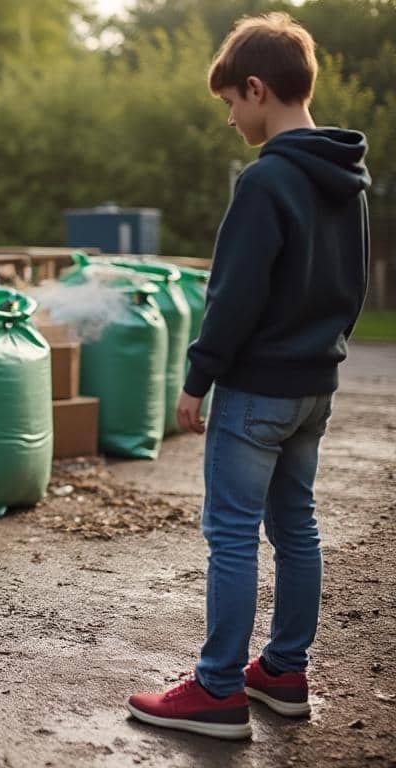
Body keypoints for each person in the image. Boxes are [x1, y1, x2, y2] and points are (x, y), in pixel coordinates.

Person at [126, 13, 370, 739]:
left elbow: (234, 296)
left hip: (258, 388)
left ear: (258, 88)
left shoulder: (266, 182)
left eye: (232, 102)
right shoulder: (350, 178)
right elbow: (353, 288)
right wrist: (321, 351)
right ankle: (284, 673)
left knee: (231, 535)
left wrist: (197, 379)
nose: (231, 119)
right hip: (314, 387)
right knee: (297, 527)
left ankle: (217, 691)